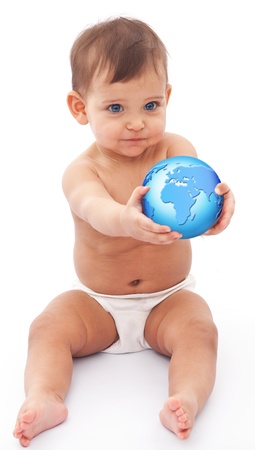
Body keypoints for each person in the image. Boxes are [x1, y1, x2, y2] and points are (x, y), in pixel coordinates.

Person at [13, 17, 235, 447]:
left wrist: (219, 211)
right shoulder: (82, 171)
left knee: (200, 330)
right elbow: (95, 210)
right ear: (81, 108)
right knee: (47, 328)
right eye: (116, 108)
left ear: (167, 98)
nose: (137, 123)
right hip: (97, 304)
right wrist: (126, 219)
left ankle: (185, 398)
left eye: (150, 106)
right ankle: (45, 396)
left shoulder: (175, 150)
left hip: (168, 299)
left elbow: (197, 191)